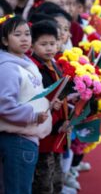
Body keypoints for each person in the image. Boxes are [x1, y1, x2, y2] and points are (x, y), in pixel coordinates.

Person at [0, 15, 52, 194]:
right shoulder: (7, 67)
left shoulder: (27, 63)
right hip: (17, 139)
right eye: (17, 34)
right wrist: (33, 115)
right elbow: (5, 106)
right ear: (5, 40)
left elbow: (32, 95)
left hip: (27, 138)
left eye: (27, 34)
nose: (24, 38)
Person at [29, 20, 70, 194]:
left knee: (56, 178)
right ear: (32, 45)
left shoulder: (54, 64)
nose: (49, 48)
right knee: (43, 183)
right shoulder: (33, 68)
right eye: (43, 44)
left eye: (52, 44)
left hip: (58, 130)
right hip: (44, 133)